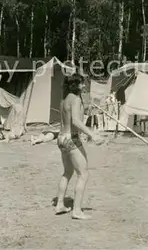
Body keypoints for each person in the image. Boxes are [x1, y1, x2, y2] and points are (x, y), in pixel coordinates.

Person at [54, 73, 104, 220]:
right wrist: (92, 134)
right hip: (71, 139)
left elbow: (69, 120)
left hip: (61, 138)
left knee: (67, 173)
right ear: (75, 85)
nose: (84, 86)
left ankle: (60, 204)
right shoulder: (75, 99)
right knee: (83, 174)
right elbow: (76, 121)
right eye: (82, 83)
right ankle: (76, 210)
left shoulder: (64, 100)